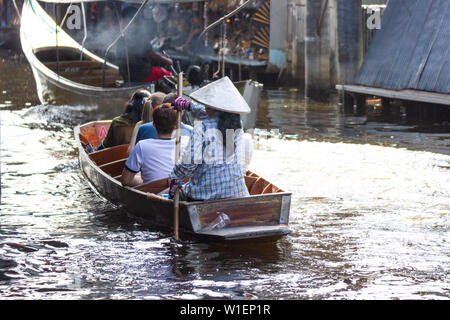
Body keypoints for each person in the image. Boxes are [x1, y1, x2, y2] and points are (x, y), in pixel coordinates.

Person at [168, 76, 251, 201]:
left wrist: (174, 178)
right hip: (237, 193)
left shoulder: (202, 127)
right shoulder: (236, 123)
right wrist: (189, 106)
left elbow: (188, 164)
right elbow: (211, 113)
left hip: (205, 195)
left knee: (178, 192)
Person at [121, 103, 188, 187]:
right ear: (175, 126)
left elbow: (126, 181)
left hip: (154, 193)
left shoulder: (142, 146)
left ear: (154, 125)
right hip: (181, 192)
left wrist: (145, 182)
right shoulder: (186, 142)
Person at [117, 6, 173, 83]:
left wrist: (162, 55)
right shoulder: (137, 34)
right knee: (169, 75)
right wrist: (168, 60)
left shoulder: (122, 36)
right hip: (141, 74)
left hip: (126, 75)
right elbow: (151, 54)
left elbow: (146, 50)